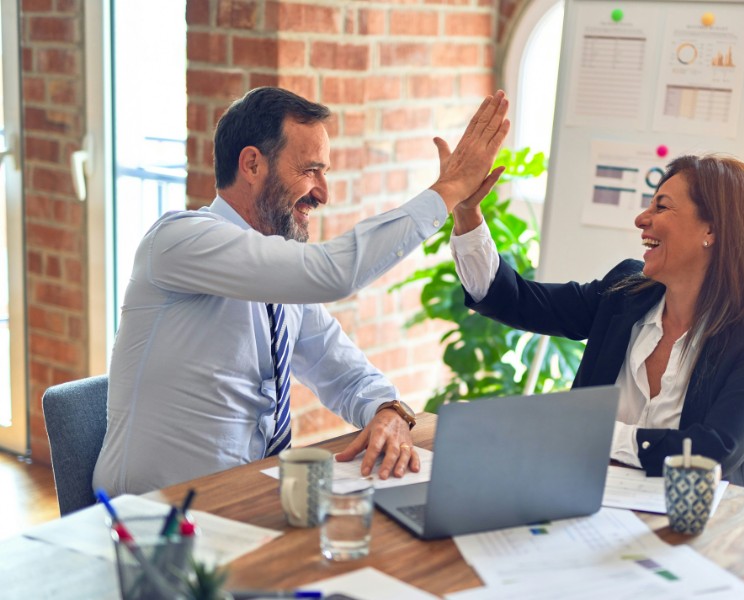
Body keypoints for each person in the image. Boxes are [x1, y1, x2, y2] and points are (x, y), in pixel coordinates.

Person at [94, 87, 509, 496]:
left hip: (247, 503)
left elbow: (343, 371)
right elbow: (333, 273)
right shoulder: (179, 240)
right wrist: (449, 189)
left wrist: (388, 410)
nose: (323, 193)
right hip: (152, 519)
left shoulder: (280, 280)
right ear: (253, 164)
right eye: (311, 170)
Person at [450, 154, 744, 486]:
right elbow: (515, 300)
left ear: (712, 230)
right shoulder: (624, 294)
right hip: (583, 502)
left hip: (691, 529)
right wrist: (467, 212)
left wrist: (592, 433)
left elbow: (711, 454)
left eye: (661, 206)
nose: (641, 219)